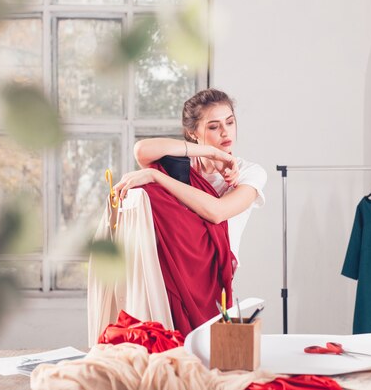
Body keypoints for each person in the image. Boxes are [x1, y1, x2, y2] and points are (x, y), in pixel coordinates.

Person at [112, 88, 266, 334]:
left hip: (212, 272)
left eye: (230, 122)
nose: (225, 132)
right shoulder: (180, 166)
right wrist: (211, 152)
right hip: (171, 264)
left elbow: (217, 212)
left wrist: (154, 175)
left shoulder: (251, 172)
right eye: (214, 126)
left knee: (206, 349)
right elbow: (141, 150)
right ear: (193, 133)